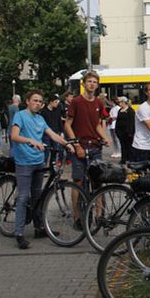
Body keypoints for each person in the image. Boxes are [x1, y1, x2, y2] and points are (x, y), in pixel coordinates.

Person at [10, 90, 73, 249]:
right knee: (24, 197)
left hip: (38, 161)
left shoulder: (40, 119)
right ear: (27, 101)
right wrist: (31, 140)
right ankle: (19, 233)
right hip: (24, 162)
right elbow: (14, 136)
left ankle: (39, 228)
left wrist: (68, 144)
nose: (37, 103)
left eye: (40, 101)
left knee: (38, 196)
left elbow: (52, 134)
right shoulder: (20, 116)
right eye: (35, 100)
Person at [64, 71, 110, 228]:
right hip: (80, 146)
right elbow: (67, 125)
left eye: (95, 82)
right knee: (78, 181)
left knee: (98, 181)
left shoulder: (98, 103)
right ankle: (77, 217)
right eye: (89, 81)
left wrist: (104, 137)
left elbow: (97, 124)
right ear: (83, 84)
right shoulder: (76, 102)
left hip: (95, 147)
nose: (92, 84)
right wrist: (76, 145)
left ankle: (99, 215)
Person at [40, 94, 65, 164]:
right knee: (46, 151)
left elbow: (59, 121)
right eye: (55, 102)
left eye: (57, 102)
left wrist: (61, 132)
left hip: (55, 133)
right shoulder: (44, 112)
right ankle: (43, 166)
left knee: (54, 151)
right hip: (46, 134)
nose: (57, 104)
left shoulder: (57, 110)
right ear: (51, 102)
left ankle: (52, 166)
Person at [114, 97, 135, 164]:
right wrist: (116, 130)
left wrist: (130, 132)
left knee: (129, 146)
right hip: (120, 132)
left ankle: (130, 159)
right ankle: (123, 159)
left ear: (124, 102)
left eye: (120, 102)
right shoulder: (120, 110)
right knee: (123, 146)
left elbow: (132, 122)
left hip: (128, 133)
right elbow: (118, 121)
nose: (119, 103)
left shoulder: (130, 111)